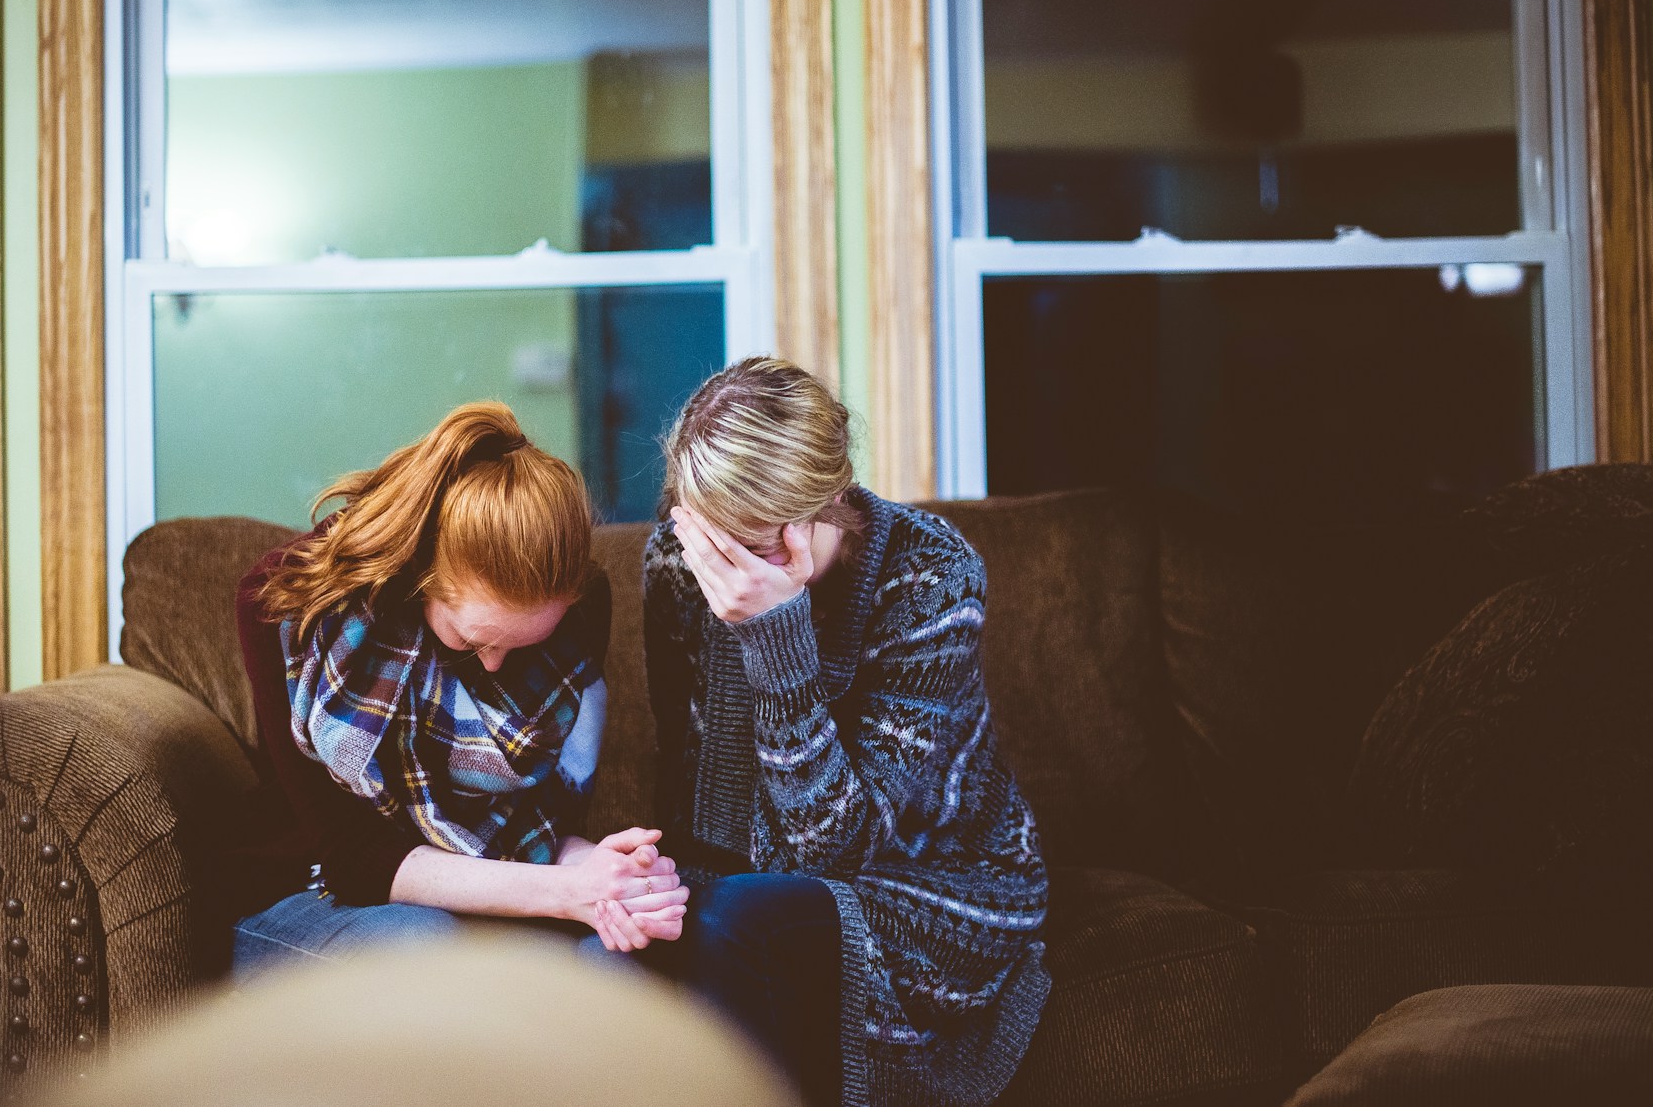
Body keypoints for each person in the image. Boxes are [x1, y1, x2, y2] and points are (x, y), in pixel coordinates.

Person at [642, 358, 1052, 1107]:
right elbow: (692, 784)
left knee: (741, 922)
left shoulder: (931, 577)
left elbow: (833, 853)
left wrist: (776, 636)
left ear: (827, 502)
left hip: (935, 881)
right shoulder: (679, 560)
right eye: (712, 538)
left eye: (754, 544)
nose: (726, 571)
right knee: (644, 932)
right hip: (754, 880)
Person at [232, 402, 687, 975]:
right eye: (472, 642)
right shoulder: (286, 607)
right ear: (420, 578)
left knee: (621, 959)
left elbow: (541, 828)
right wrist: (568, 893)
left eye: (521, 646)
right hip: (311, 891)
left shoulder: (579, 610)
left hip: (487, 888)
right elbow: (352, 858)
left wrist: (612, 874)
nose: (496, 667)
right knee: (426, 946)